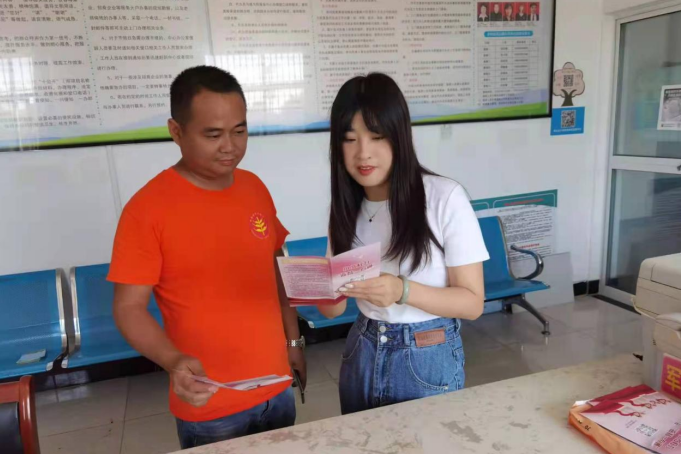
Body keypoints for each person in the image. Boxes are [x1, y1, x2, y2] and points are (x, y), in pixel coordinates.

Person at [108, 65, 306, 449]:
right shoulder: (147, 209)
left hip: (276, 387)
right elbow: (128, 307)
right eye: (213, 135)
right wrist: (173, 361)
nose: (229, 146)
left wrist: (294, 343)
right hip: (211, 402)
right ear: (176, 131)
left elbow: (276, 271)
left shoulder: (254, 188)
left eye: (239, 131)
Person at [319, 73, 489, 415]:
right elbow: (333, 310)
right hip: (362, 350)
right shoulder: (345, 209)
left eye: (377, 137)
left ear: (399, 136)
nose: (363, 153)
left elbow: (472, 303)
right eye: (350, 139)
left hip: (426, 353)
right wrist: (317, 286)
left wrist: (401, 290)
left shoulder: (444, 197)